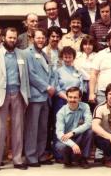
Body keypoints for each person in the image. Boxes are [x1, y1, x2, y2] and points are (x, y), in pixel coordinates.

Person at [24, 28, 56, 167]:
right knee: (32, 128)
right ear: (32, 39)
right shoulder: (27, 54)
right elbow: (31, 75)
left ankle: (41, 154)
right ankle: (31, 157)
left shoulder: (44, 54)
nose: (41, 40)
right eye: (38, 38)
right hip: (35, 96)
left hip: (46, 97)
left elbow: (51, 73)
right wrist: (47, 87)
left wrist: (52, 86)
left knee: (43, 128)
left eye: (43, 38)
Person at [54, 86, 93, 168]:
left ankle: (83, 159)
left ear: (80, 98)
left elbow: (89, 123)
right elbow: (59, 133)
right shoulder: (61, 112)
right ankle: (67, 159)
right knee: (60, 146)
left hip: (78, 136)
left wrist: (73, 132)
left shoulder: (85, 107)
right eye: (70, 97)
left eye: (75, 97)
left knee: (90, 132)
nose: (72, 100)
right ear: (67, 97)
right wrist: (72, 145)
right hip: (66, 139)